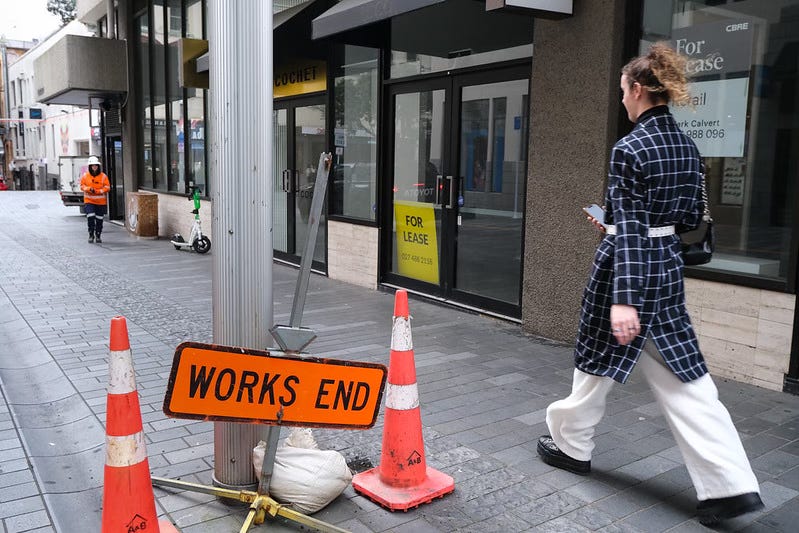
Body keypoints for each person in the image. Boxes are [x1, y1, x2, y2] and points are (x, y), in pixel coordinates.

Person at [536, 43, 763, 526]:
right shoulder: (686, 146)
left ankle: (571, 445)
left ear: (638, 89)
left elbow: (636, 230)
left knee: (595, 361)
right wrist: (613, 221)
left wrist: (624, 300)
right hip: (666, 270)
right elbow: (676, 220)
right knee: (688, 378)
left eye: (622, 90)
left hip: (626, 270)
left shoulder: (629, 148)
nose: (621, 99)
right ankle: (731, 485)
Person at [80, 155, 111, 243]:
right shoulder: (85, 176)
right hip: (89, 201)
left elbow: (107, 187)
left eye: (96, 165)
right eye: (93, 166)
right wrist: (89, 189)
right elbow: (82, 186)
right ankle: (91, 234)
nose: (94, 167)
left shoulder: (103, 176)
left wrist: (99, 191)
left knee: (99, 219)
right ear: (90, 167)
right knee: (90, 217)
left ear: (98, 166)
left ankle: (98, 235)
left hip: (100, 202)